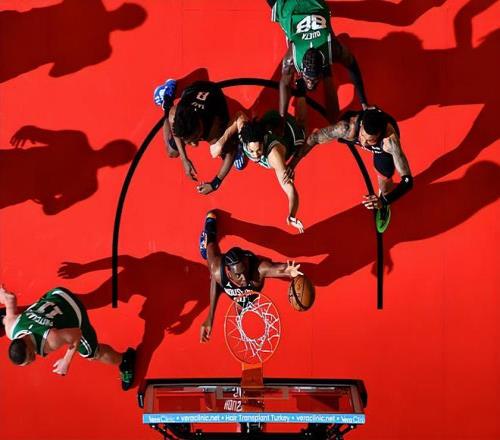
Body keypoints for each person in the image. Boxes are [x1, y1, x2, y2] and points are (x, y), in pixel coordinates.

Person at [0, 285, 136, 390]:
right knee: (11, 317)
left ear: (29, 348)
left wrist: (66, 361)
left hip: (74, 310)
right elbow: (10, 298)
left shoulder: (49, 341)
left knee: (91, 353)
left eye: (30, 358)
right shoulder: (11, 327)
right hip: (56, 294)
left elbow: (76, 333)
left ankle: (125, 361)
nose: (32, 361)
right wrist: (2, 293)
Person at [198, 211, 303, 342]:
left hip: (253, 268)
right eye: (238, 275)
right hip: (219, 265)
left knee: (245, 297)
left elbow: (276, 269)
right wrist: (210, 317)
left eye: (245, 271)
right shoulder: (216, 269)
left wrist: (289, 271)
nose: (244, 278)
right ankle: (210, 224)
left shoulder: (257, 271)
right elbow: (215, 281)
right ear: (229, 272)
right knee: (207, 249)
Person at [303, 108, 413, 232]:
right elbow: (315, 137)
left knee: (385, 185)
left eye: (370, 140)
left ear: (379, 135)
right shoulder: (349, 127)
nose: (364, 143)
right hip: (356, 129)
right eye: (362, 136)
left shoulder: (390, 142)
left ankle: (384, 204)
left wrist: (383, 201)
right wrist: (291, 165)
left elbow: (408, 181)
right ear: (361, 125)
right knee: (339, 130)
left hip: (381, 151)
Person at [211, 103, 308, 233]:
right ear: (245, 144)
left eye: (259, 150)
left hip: (293, 135)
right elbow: (239, 115)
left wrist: (292, 214)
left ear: (263, 142)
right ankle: (239, 149)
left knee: (303, 126)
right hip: (270, 118)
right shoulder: (245, 134)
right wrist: (220, 143)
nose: (256, 155)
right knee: (229, 138)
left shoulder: (274, 156)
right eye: (251, 151)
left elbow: (291, 191)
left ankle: (299, 98)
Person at [268, 0, 369, 123]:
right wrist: (282, 119)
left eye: (313, 80)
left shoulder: (333, 49)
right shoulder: (291, 60)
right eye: (309, 79)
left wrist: (363, 102)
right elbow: (284, 84)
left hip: (313, 6)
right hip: (294, 6)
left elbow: (352, 64)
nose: (310, 84)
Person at [153, 79, 241, 194]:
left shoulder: (214, 129)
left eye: (193, 139)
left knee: (222, 148)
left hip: (214, 95)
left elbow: (231, 153)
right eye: (188, 141)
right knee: (172, 152)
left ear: (199, 128)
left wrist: (215, 184)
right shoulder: (176, 114)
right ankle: (166, 99)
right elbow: (174, 126)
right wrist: (184, 159)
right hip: (193, 90)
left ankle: (235, 140)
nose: (193, 145)